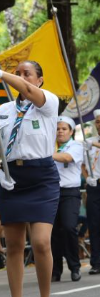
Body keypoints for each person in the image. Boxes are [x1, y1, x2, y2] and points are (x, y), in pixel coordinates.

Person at [0, 59, 59, 297]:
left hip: (42, 178)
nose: (22, 77)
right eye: (18, 73)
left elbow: (26, 89)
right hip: (12, 179)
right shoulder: (2, 110)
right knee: (13, 246)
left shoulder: (48, 102)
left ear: (40, 80)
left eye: (28, 74)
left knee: (41, 243)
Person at [51, 116, 83, 282]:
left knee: (69, 227)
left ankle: (75, 267)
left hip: (70, 192)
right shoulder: (50, 146)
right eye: (57, 129)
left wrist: (46, 154)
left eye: (64, 129)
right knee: (53, 232)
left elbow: (67, 158)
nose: (60, 131)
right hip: (51, 193)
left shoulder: (75, 146)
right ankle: (55, 270)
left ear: (71, 131)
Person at [83, 109, 100, 275]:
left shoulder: (93, 143)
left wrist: (94, 144)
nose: (99, 125)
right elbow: (83, 164)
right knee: (94, 224)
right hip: (95, 186)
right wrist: (87, 177)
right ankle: (96, 262)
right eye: (98, 122)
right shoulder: (90, 141)